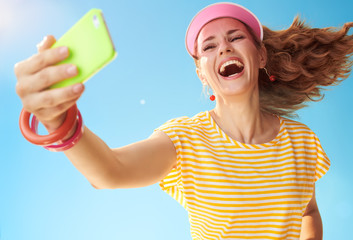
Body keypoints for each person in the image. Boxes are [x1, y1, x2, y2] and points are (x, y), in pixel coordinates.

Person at [14, 2, 353, 240]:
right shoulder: (185, 139)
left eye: (235, 38)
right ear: (201, 72)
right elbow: (110, 171)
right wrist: (60, 121)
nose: (223, 49)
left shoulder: (302, 141)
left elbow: (308, 212)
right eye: (208, 46)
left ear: (260, 56)